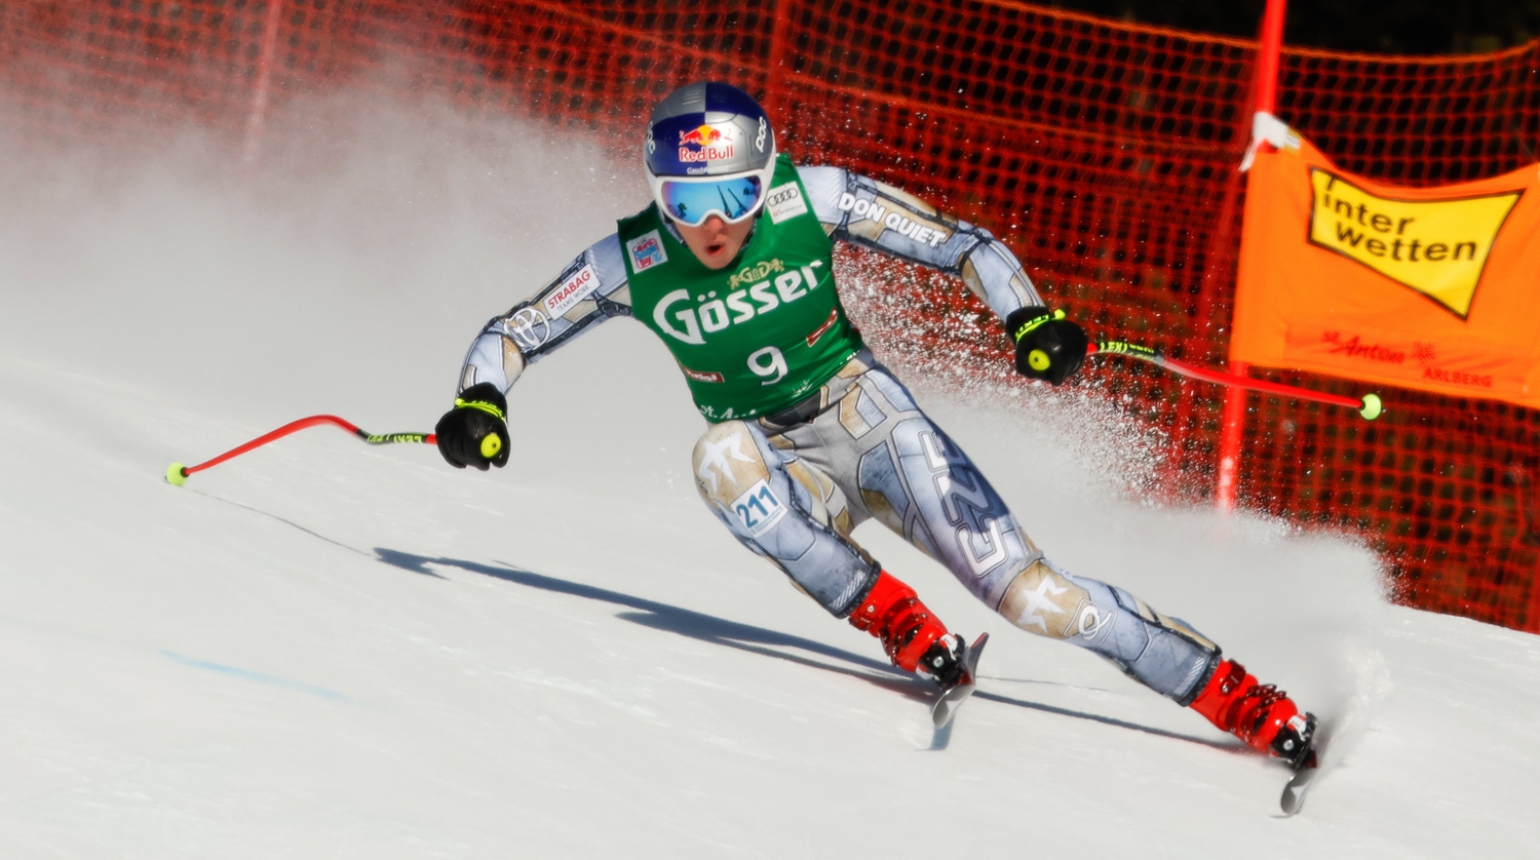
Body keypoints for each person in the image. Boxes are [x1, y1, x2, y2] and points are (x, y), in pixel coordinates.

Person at [434, 82, 1316, 767]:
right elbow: (516, 331)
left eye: (734, 193)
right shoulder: (632, 259)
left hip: (872, 425)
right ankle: (901, 625)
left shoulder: (812, 198)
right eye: (689, 201)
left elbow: (962, 244)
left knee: (1033, 599)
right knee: (720, 459)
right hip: (779, 457)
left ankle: (1241, 699)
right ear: (658, 194)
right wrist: (481, 402)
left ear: (764, 179)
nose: (715, 223)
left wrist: (1028, 318)